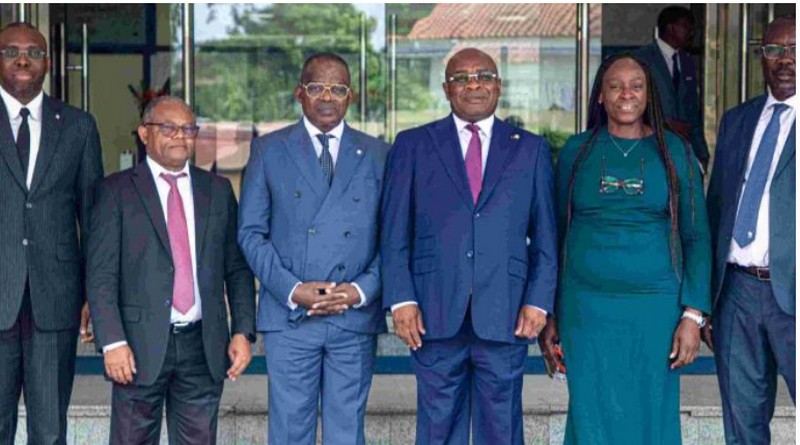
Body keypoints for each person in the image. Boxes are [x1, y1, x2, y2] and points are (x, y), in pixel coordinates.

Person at [381, 48, 558, 445]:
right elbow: (393, 233)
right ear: (446, 89)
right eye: (461, 78)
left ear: (498, 86)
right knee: (438, 428)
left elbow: (546, 236)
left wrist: (539, 301)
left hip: (507, 312)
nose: (473, 84)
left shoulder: (530, 149)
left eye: (483, 76)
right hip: (433, 313)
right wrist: (401, 299)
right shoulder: (412, 145)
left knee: (502, 430)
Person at [538, 53, 711, 444]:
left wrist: (693, 315)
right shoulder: (576, 151)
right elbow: (558, 235)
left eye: (636, 86)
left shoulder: (676, 153)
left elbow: (697, 237)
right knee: (589, 412)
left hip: (655, 309)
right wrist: (550, 313)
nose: (626, 94)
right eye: (615, 86)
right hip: (586, 310)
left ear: (649, 95)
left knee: (652, 412)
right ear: (601, 95)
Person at [238, 53, 388, 445]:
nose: (327, 97)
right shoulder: (268, 150)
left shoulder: (377, 154)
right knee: (289, 431)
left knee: (346, 432)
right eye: (317, 87)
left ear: (350, 96)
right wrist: (292, 290)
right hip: (290, 318)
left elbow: (394, 239)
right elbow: (251, 234)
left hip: (352, 317)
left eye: (338, 88)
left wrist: (359, 291)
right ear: (299, 94)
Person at [87, 96, 256, 444]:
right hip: (136, 345)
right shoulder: (116, 190)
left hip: (202, 344)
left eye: (188, 129)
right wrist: (112, 342)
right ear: (144, 133)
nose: (181, 136)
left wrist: (242, 330)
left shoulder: (217, 190)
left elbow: (236, 268)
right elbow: (101, 274)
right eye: (169, 128)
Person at [0, 22, 103, 444]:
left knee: (49, 429)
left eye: (33, 52)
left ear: (47, 62)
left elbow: (93, 217)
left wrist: (94, 296)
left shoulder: (77, 126)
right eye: (11, 51)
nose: (23, 59)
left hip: (56, 300)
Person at [706, 16, 795, 445]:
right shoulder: (737, 121)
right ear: (761, 57)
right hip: (737, 292)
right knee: (742, 425)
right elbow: (716, 208)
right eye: (775, 50)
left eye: (795, 48)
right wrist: (705, 301)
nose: (785, 60)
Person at [634, 6, 710, 170]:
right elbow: (633, 107)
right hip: (650, 148)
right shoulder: (642, 59)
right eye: (686, 27)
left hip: (682, 150)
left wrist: (702, 152)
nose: (691, 33)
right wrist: (664, 124)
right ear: (671, 28)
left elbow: (693, 111)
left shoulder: (687, 61)